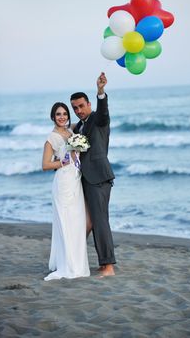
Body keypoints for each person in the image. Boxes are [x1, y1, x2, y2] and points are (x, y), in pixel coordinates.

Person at [70, 72, 116, 277]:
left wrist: (100, 91)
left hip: (98, 177)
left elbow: (104, 111)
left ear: (89, 104)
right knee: (91, 221)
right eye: (75, 108)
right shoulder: (79, 126)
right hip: (85, 179)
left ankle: (108, 266)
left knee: (100, 221)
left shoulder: (98, 118)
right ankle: (99, 262)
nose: (78, 110)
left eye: (81, 106)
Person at [42, 102, 90, 281]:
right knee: (66, 223)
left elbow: (86, 121)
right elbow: (45, 165)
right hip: (63, 183)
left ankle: (77, 264)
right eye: (58, 114)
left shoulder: (70, 131)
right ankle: (67, 265)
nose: (62, 117)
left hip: (75, 181)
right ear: (53, 117)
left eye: (64, 114)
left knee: (77, 224)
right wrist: (63, 162)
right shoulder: (51, 138)